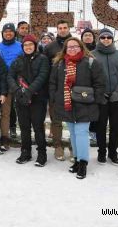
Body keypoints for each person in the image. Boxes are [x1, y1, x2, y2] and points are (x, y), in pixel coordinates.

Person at [49, 37, 106, 179]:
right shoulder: (59, 64)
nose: (72, 49)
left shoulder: (91, 63)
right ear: (65, 49)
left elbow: (99, 83)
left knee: (81, 132)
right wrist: (55, 98)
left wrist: (95, 101)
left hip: (85, 104)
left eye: (75, 46)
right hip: (66, 104)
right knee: (73, 133)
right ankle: (76, 158)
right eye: (69, 47)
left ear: (81, 47)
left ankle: (83, 162)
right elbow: (53, 83)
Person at [7, 35, 50, 166]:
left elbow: (42, 76)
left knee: (38, 127)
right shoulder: (18, 60)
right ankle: (25, 152)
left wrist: (29, 91)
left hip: (37, 98)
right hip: (21, 98)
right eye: (25, 45)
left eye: (30, 44)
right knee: (24, 127)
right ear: (22, 47)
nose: (28, 47)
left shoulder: (42, 59)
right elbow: (10, 76)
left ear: (35, 46)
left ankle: (42, 154)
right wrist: (17, 91)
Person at [91, 29, 118, 165]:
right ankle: (101, 152)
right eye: (103, 37)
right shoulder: (92, 55)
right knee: (100, 126)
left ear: (112, 40)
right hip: (101, 97)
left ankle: (113, 153)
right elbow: (91, 76)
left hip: (117, 97)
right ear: (99, 39)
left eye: (108, 37)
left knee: (115, 126)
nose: (106, 39)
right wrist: (98, 94)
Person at [44, 19, 73, 161]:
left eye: (65, 27)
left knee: (73, 119)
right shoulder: (50, 47)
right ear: (57, 29)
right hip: (55, 87)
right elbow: (45, 69)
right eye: (60, 28)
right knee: (56, 119)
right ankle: (57, 146)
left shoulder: (75, 44)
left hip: (73, 87)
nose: (62, 30)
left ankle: (74, 147)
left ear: (69, 28)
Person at [0, 23, 23, 148]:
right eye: (6, 31)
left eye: (10, 31)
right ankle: (5, 137)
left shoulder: (21, 46)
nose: (8, 33)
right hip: (4, 84)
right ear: (2, 33)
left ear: (14, 33)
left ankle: (25, 135)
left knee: (23, 111)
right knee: (5, 112)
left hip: (19, 83)